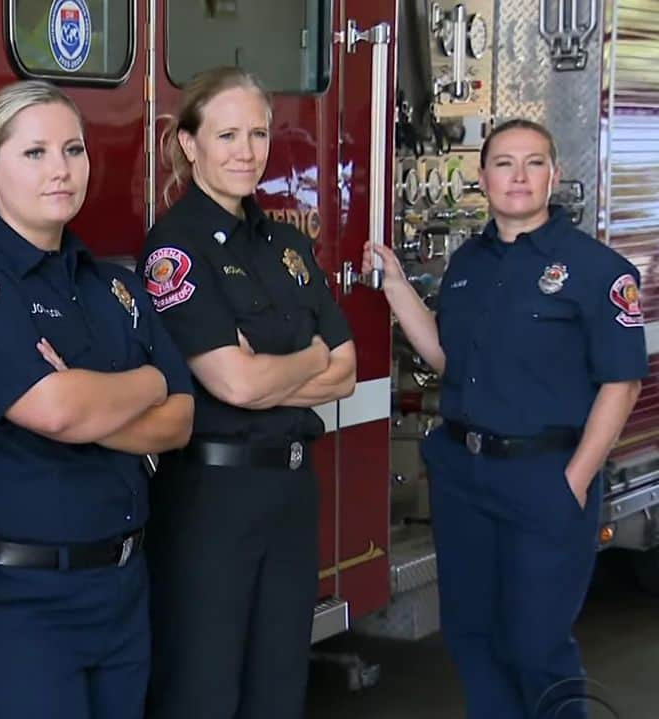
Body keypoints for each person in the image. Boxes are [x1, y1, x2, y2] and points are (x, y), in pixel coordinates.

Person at [0, 79, 194, 719]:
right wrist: (144, 382)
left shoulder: (111, 285)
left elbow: (179, 418)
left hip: (119, 589)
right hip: (15, 604)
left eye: (73, 150)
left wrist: (107, 401)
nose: (61, 170)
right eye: (34, 153)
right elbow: (57, 410)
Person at [364, 118, 646, 719]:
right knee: (471, 636)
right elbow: (447, 357)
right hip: (465, 479)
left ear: (555, 175)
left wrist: (574, 481)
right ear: (482, 176)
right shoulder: (468, 262)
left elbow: (620, 386)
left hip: (544, 479)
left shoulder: (599, 271)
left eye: (534, 162)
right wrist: (394, 286)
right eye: (503, 163)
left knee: (536, 644)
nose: (518, 176)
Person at [137, 66, 357, 719]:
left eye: (257, 133)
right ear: (188, 144)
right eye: (227, 134)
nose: (246, 151)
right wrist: (307, 354)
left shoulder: (287, 243)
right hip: (212, 500)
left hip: (290, 493)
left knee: (278, 685)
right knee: (202, 688)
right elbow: (232, 381)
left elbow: (344, 368)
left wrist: (276, 369)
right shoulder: (174, 249)